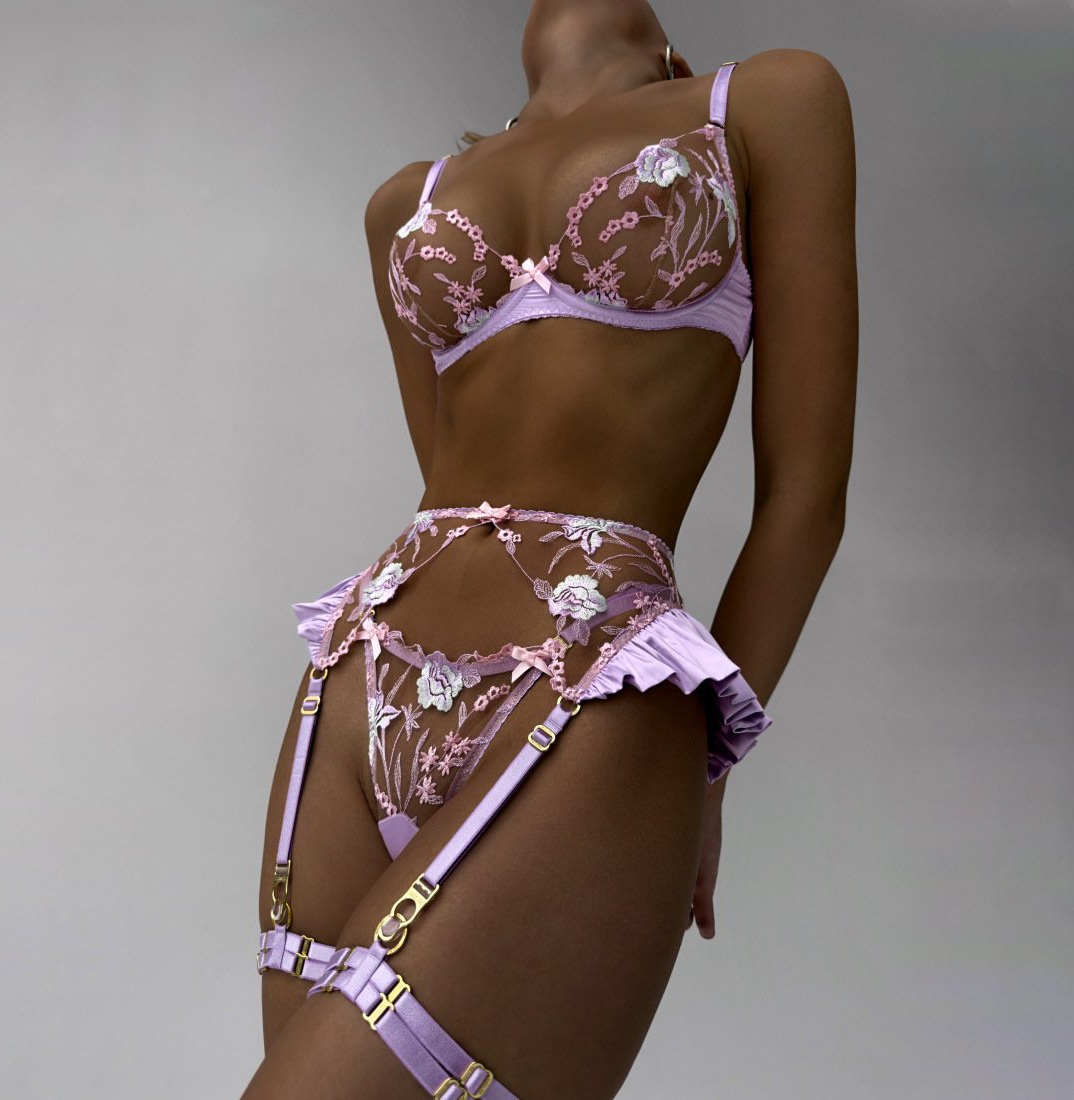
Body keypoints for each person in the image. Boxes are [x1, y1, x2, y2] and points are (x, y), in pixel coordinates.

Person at [243, 0, 856, 1095]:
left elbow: (804, 501)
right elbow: (447, 484)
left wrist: (705, 769)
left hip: (591, 686)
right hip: (361, 681)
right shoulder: (404, 202)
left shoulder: (767, 102)